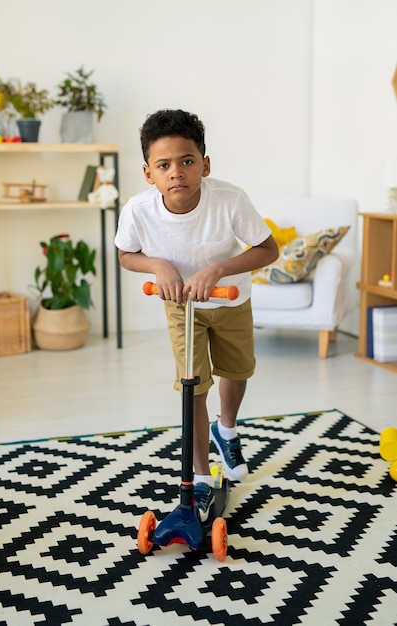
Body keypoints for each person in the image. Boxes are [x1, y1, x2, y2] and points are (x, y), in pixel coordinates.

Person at [115, 109, 278, 523]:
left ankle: (228, 430)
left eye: (187, 161)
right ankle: (202, 478)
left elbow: (267, 249)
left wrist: (220, 268)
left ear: (205, 164)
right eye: (164, 165)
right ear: (148, 172)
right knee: (194, 386)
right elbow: (126, 255)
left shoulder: (230, 199)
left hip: (230, 300)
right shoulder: (138, 210)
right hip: (181, 306)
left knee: (237, 371)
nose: (177, 173)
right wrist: (156, 265)